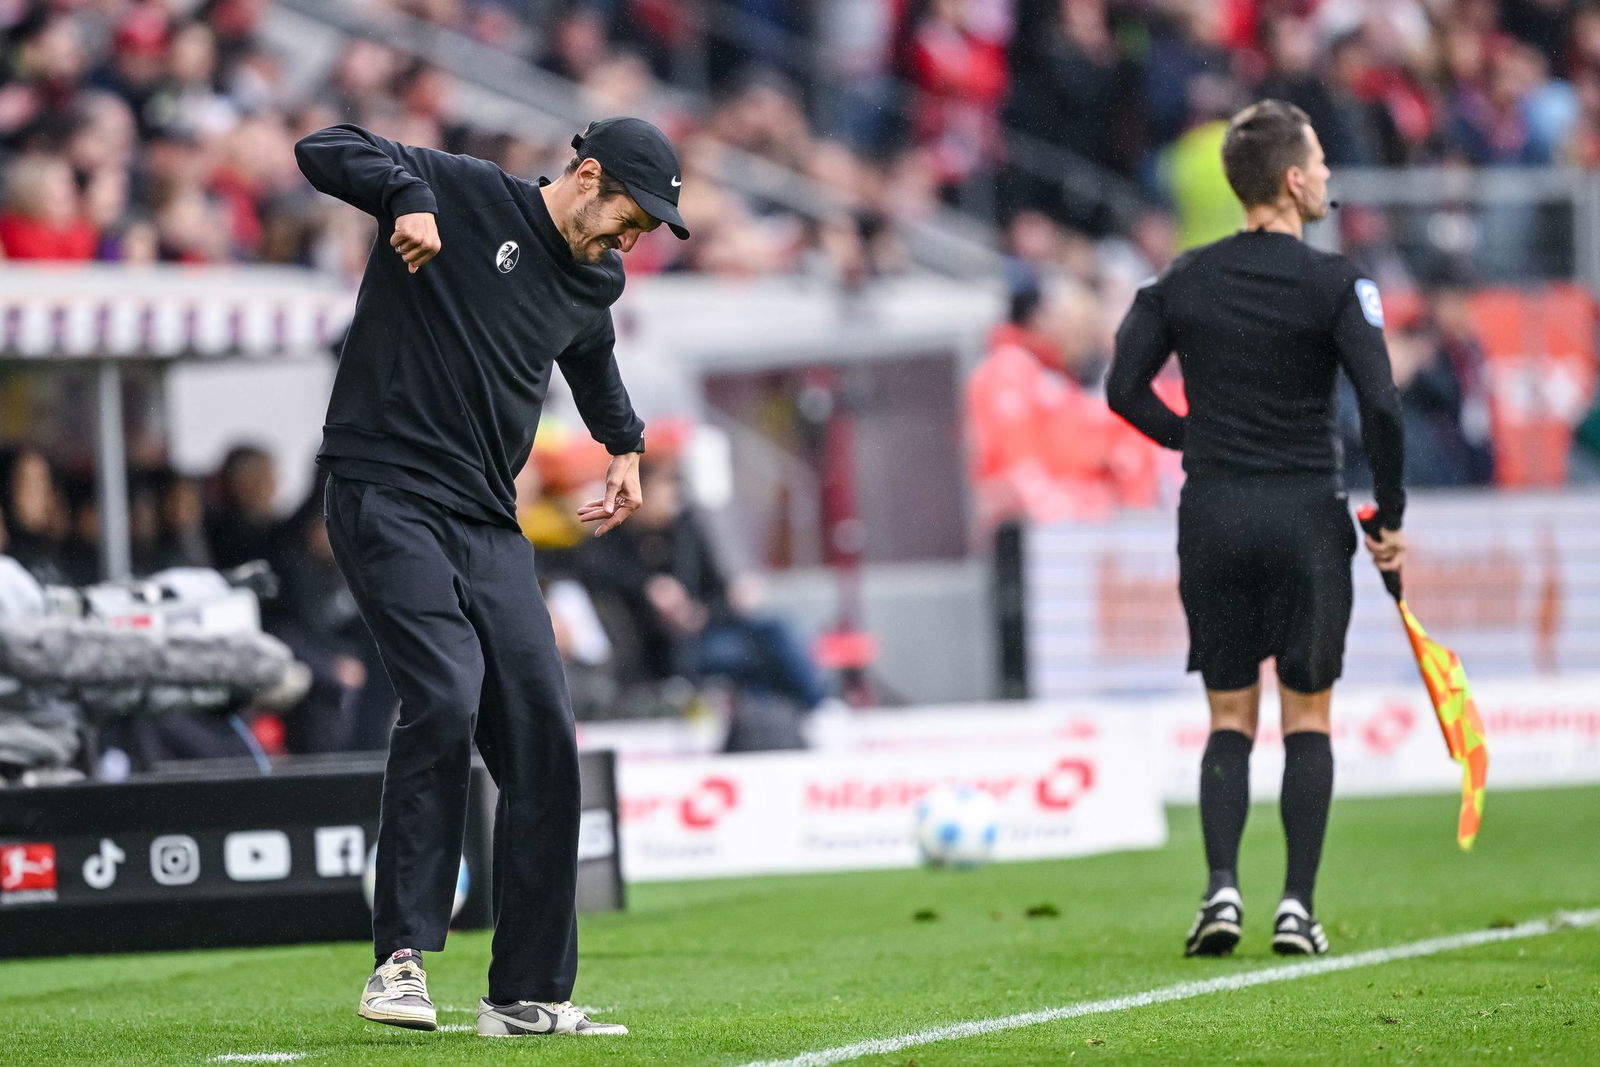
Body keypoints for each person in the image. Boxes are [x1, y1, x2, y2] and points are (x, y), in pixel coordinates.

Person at [295, 113, 689, 1038]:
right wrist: (407, 196)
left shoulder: (598, 272)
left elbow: (590, 349)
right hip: (383, 490)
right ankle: (399, 960)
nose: (635, 238)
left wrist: (623, 442)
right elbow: (324, 145)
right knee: (444, 693)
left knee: (545, 736)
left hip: (485, 518)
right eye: (633, 214)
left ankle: (525, 996)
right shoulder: (462, 190)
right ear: (587, 176)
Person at [1107, 100, 1406, 959]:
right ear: (1291, 180)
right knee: (1305, 716)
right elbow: (1381, 405)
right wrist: (1390, 514)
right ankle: (1296, 907)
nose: (1327, 180)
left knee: (1229, 712)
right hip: (1306, 516)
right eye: (1318, 164)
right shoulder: (1339, 282)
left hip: (1215, 518)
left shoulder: (1183, 278)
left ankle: (1220, 892)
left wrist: (1190, 437)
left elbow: (1122, 388)